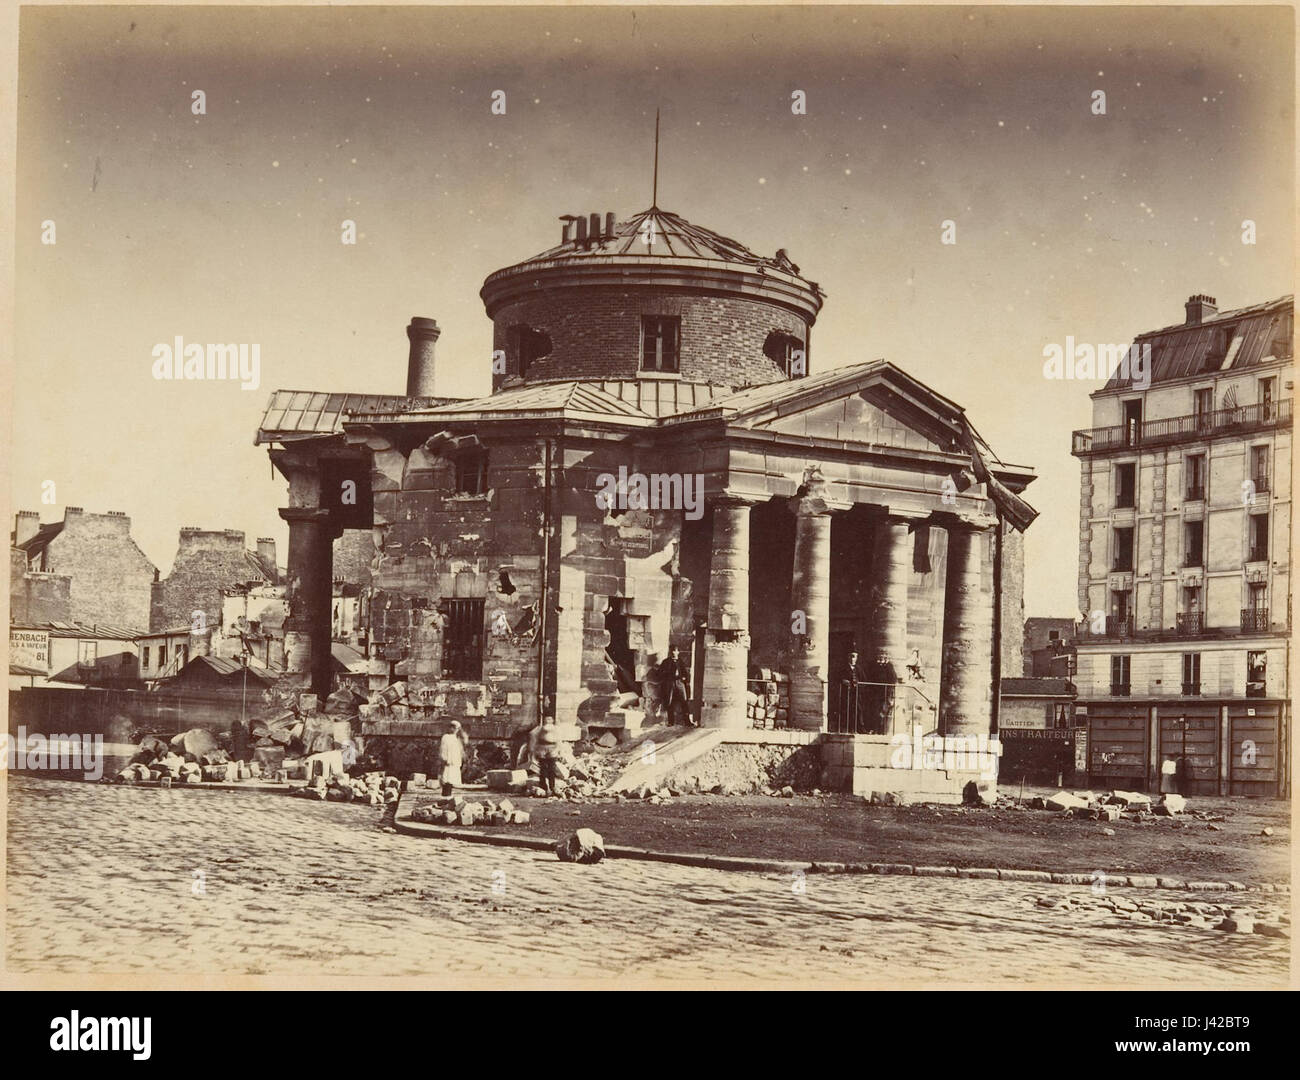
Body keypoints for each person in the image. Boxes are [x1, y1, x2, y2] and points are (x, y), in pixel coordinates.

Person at [655, 646, 693, 725]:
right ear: (670, 652)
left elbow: (685, 672)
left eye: (675, 651)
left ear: (678, 652)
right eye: (672, 651)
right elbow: (659, 673)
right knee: (669, 702)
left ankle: (687, 721)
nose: (673, 653)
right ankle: (671, 722)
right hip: (670, 683)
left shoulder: (680, 661)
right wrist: (667, 676)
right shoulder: (666, 662)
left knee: (684, 701)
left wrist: (684, 678)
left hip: (679, 682)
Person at [534, 716, 560, 795]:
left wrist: (558, 751)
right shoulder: (540, 729)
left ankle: (552, 787)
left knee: (551, 769)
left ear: (552, 720)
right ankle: (543, 787)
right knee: (543, 769)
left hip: (552, 748)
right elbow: (536, 740)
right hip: (542, 748)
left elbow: (559, 740)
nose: (548, 720)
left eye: (549, 719)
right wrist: (536, 751)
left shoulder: (556, 729)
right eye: (546, 719)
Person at [437, 720, 465, 796]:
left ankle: (448, 794)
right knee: (446, 778)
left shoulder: (455, 738)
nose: (456, 730)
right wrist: (444, 758)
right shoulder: (446, 737)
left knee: (451, 779)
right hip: (447, 761)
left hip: (454, 762)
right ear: (450, 728)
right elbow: (443, 749)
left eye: (457, 729)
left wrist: (458, 761)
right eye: (454, 728)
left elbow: (456, 751)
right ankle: (445, 795)